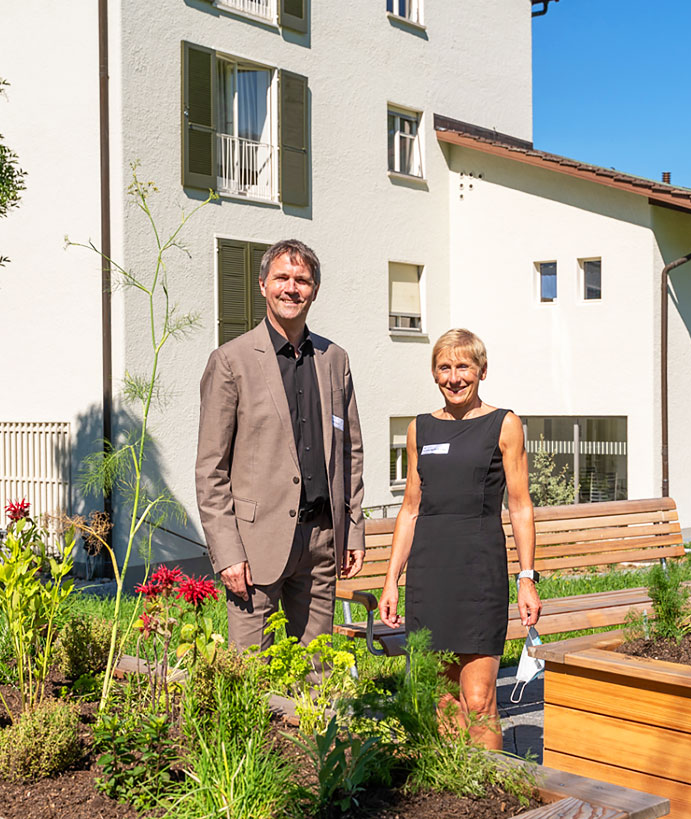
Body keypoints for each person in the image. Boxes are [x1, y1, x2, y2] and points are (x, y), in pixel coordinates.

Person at [195, 239, 365, 652]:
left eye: (301, 280)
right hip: (255, 546)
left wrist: (353, 530)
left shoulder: (334, 359)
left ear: (315, 290)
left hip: (322, 541)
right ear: (263, 285)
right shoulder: (231, 361)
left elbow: (350, 454)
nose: (291, 288)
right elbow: (211, 470)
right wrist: (227, 552)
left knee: (318, 669)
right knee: (251, 670)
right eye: (282, 278)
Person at [377, 328, 540, 750]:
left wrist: (527, 578)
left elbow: (520, 505)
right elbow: (410, 508)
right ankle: (455, 781)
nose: (454, 377)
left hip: (479, 574)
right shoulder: (420, 429)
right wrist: (391, 580)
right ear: (434, 374)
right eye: (444, 368)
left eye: (463, 366)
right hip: (430, 577)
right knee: (443, 698)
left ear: (482, 370)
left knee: (479, 700)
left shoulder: (504, 424)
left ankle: (492, 784)